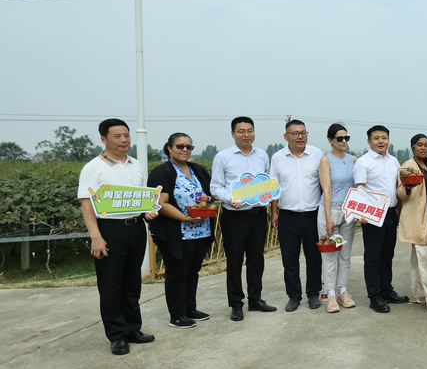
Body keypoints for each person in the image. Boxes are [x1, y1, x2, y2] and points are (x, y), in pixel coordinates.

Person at [77, 119, 157, 356]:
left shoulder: (136, 165)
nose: (124, 140)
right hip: (109, 230)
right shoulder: (93, 168)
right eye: (117, 136)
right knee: (111, 284)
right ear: (104, 139)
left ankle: (133, 329)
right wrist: (96, 237)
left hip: (135, 228)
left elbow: (142, 198)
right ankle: (117, 335)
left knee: (132, 282)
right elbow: (86, 205)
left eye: (126, 135)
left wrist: (147, 211)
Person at [211, 116, 277, 321]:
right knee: (235, 260)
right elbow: (215, 187)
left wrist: (268, 196)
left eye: (250, 130)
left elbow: (269, 183)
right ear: (233, 134)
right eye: (241, 131)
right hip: (234, 216)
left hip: (258, 215)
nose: (246, 135)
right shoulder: (223, 157)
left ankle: (255, 299)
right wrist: (230, 199)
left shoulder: (262, 155)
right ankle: (236, 303)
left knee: (257, 259)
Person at [147, 132, 214, 330]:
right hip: (177, 231)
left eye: (189, 147)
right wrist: (185, 217)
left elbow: (209, 193)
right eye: (180, 146)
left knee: (193, 271)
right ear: (169, 148)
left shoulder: (197, 169)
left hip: (201, 228)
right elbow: (161, 203)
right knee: (177, 272)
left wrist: (206, 201)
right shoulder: (162, 171)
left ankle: (190, 309)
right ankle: (177, 314)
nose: (185, 150)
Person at [270, 119, 324, 313]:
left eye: (303, 133)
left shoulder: (317, 154)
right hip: (287, 215)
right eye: (295, 133)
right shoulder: (277, 158)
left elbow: (324, 184)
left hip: (313, 215)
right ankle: (294, 296)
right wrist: (274, 212)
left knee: (314, 257)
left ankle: (313, 293)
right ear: (286, 136)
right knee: (289, 258)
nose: (300, 136)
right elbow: (273, 187)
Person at [354, 124, 408, 313]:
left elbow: (397, 188)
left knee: (387, 255)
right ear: (369, 141)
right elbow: (360, 188)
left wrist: (399, 214)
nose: (381, 141)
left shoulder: (394, 161)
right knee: (373, 257)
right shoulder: (363, 162)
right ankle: (374, 296)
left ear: (388, 140)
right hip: (373, 216)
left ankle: (386, 291)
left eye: (384, 137)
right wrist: (362, 214)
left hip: (391, 214)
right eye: (376, 138)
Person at [397, 134, 427, 314]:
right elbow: (400, 192)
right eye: (419, 145)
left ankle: (418, 295)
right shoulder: (408, 166)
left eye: (426, 145)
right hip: (418, 219)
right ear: (413, 147)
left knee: (421, 259)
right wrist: (408, 188)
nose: (423, 148)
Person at [317, 123, 358, 313]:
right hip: (331, 210)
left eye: (346, 138)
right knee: (330, 254)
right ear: (330, 140)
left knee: (345, 254)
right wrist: (328, 218)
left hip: (348, 212)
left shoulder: (353, 159)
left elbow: (357, 188)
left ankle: (343, 292)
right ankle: (330, 295)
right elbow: (327, 189)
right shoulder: (326, 160)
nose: (343, 141)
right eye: (339, 138)